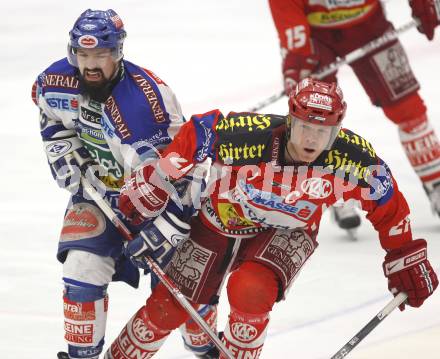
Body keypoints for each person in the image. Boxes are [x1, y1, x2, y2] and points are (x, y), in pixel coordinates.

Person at [103, 78, 438, 358]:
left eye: (322, 132)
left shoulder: (351, 159)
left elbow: (386, 199)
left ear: (336, 131)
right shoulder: (249, 135)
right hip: (220, 220)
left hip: (288, 232)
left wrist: (403, 253)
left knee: (251, 289)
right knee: (167, 307)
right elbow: (199, 132)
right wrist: (158, 181)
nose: (311, 139)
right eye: (305, 127)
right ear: (290, 121)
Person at [32, 9, 216, 359]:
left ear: (117, 53)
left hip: (163, 203)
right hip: (97, 192)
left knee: (184, 291)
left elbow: (182, 170)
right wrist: (65, 153)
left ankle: (207, 350)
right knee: (81, 268)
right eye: (83, 55)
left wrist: (168, 226)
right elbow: (52, 116)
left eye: (100, 55)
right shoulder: (55, 81)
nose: (90, 65)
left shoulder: (145, 106)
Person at [268, 0, 440, 231]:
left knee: (408, 109)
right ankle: (325, 186)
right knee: (314, 115)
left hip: (369, 27)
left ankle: (436, 183)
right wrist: (297, 49)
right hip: (315, 37)